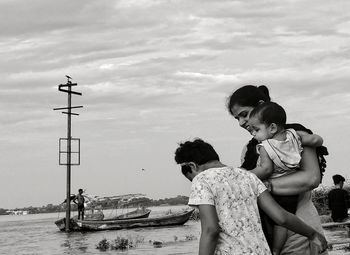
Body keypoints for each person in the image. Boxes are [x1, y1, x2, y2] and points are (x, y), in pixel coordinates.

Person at [174, 138, 327, 255]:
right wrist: (312, 234)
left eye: (190, 177)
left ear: (193, 166)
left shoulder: (202, 179)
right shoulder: (247, 176)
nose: (192, 182)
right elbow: (281, 217)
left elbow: (211, 230)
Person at [227, 85, 329, 255]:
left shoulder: (292, 135)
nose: (241, 123)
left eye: (244, 114)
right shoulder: (250, 148)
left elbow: (311, 178)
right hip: (266, 233)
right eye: (236, 118)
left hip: (300, 230)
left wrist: (264, 185)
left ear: (260, 105)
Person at [247, 102, 323, 254]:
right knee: (283, 220)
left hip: (278, 190)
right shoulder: (294, 135)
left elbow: (266, 169)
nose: (253, 133)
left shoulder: (265, 146)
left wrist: (245, 176)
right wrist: (314, 140)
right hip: (293, 188)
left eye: (256, 129)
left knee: (280, 219)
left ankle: (275, 250)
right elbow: (316, 140)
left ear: (272, 128)